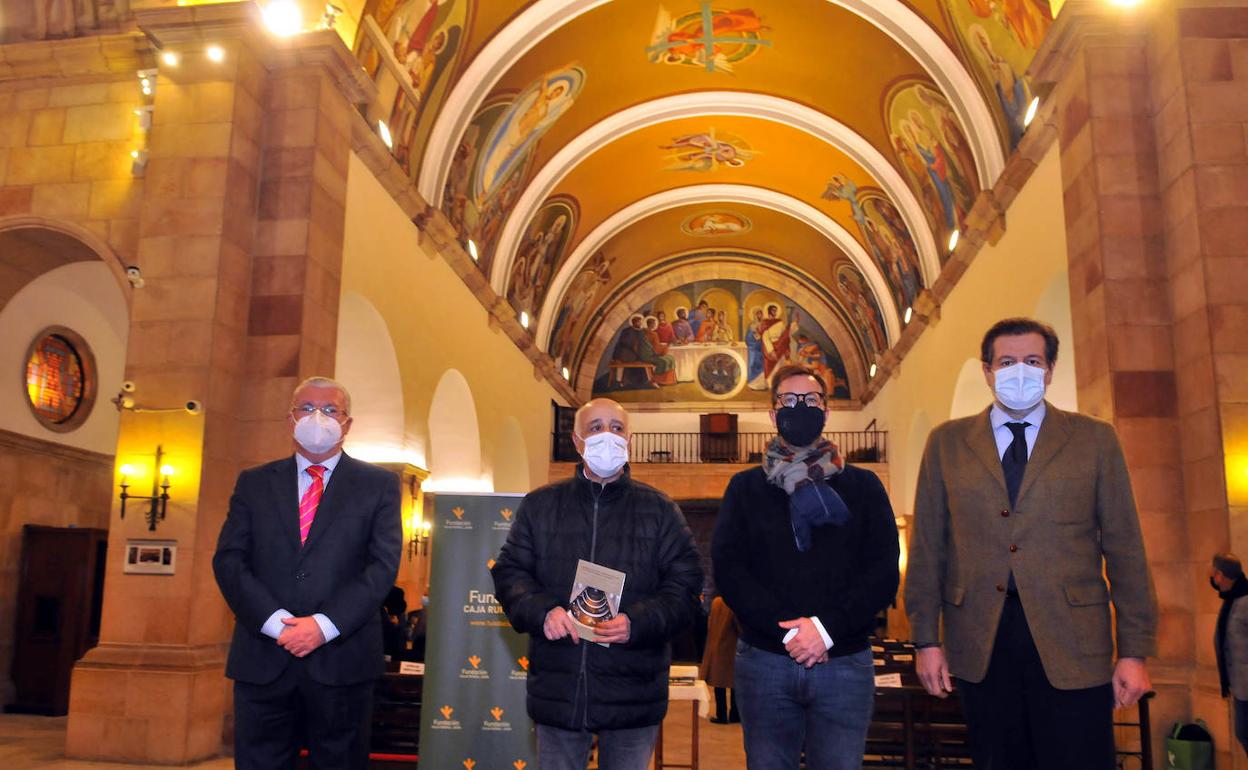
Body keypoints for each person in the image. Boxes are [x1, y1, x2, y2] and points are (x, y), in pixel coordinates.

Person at [905, 317, 1158, 770]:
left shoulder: (1095, 440)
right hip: (980, 642)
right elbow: (927, 549)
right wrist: (926, 640)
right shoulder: (947, 444)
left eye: (1032, 361)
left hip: (1074, 641)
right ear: (987, 371)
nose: (1019, 371)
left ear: (1050, 369)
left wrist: (1134, 652)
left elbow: (1126, 550)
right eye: (1007, 362)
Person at [491, 398, 703, 770]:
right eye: (595, 427)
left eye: (617, 428)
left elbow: (685, 587)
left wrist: (637, 621)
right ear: (577, 441)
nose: (608, 436)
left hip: (633, 692)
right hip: (560, 688)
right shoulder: (540, 506)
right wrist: (544, 612)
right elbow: (510, 573)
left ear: (629, 440)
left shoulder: (661, 511)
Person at [713, 364, 899, 770]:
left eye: (811, 400)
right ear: (773, 412)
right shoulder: (745, 488)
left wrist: (826, 630)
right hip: (765, 660)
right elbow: (729, 569)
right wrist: (791, 631)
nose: (800, 407)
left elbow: (883, 570)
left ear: (826, 412)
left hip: (844, 661)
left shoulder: (864, 487)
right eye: (789, 400)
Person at [214, 376, 402, 770]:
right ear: (291, 419)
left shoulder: (378, 485)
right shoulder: (254, 483)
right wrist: (276, 624)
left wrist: (323, 625)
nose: (319, 417)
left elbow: (381, 566)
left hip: (342, 659)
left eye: (331, 409)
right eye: (307, 408)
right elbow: (230, 560)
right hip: (263, 657)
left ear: (347, 423)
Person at [1212, 553, 1248, 756]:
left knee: (1244, 732)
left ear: (1221, 574)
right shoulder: (1232, 597)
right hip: (1240, 685)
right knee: (1243, 733)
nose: (1213, 580)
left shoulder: (1245, 600)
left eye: (1215, 574)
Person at [700, 595, 741, 724]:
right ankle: (735, 714)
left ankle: (721, 714)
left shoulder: (716, 602)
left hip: (716, 646)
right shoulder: (735, 603)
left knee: (719, 684)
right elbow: (739, 627)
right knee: (734, 683)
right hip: (731, 648)